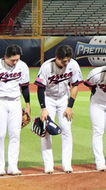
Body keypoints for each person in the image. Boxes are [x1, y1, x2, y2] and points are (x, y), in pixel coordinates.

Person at [35, 44, 84, 173]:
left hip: (64, 98)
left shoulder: (73, 65)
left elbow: (75, 85)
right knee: (46, 131)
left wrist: (70, 106)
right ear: (56, 58)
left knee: (66, 130)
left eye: (68, 60)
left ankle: (67, 164)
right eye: (64, 61)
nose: (66, 63)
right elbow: (40, 88)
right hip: (48, 98)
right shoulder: (46, 67)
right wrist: (43, 108)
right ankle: (48, 165)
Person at [0, 44, 31, 176]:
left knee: (15, 134)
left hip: (15, 101)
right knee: (0, 133)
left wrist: (28, 105)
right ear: (5, 57)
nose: (15, 62)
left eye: (17, 59)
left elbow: (25, 86)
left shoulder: (22, 66)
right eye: (12, 60)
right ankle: (0, 166)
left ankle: (13, 166)